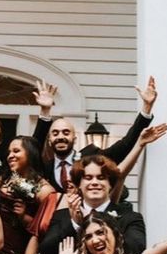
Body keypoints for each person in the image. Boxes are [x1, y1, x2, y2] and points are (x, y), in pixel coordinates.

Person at [26, 153, 148, 254]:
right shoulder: (62, 216)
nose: (94, 182)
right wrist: (75, 225)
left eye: (101, 177)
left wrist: (98, 225)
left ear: (110, 184)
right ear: (79, 184)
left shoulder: (130, 217)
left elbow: (136, 250)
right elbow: (48, 253)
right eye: (88, 178)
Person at [31, 76, 159, 190]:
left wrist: (146, 108)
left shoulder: (91, 156)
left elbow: (125, 145)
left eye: (66, 132)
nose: (60, 137)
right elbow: (32, 148)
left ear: (75, 139)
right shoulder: (44, 167)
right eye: (55, 133)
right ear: (49, 140)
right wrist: (45, 111)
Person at [0, 136, 54, 254]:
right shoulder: (0, 180)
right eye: (9, 152)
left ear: (31, 153)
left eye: (16, 151)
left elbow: (47, 230)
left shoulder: (44, 190)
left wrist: (24, 217)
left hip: (19, 249)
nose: (10, 156)